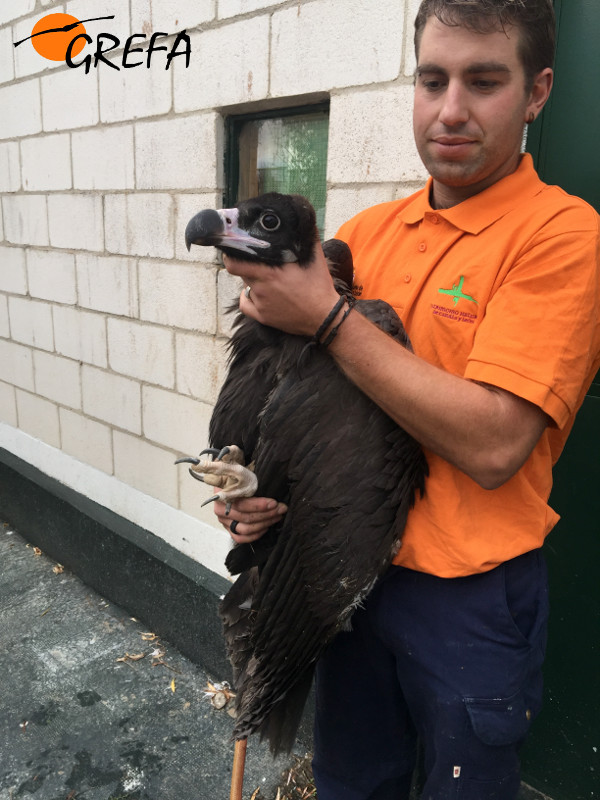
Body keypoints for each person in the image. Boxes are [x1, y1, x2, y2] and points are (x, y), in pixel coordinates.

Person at [212, 0, 600, 797]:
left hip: (468, 601)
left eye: (485, 81)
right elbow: (304, 407)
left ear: (538, 92)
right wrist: (251, 492)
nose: (451, 110)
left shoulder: (561, 236)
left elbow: (495, 444)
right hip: (343, 572)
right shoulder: (369, 234)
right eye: (432, 79)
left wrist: (326, 316)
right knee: (355, 784)